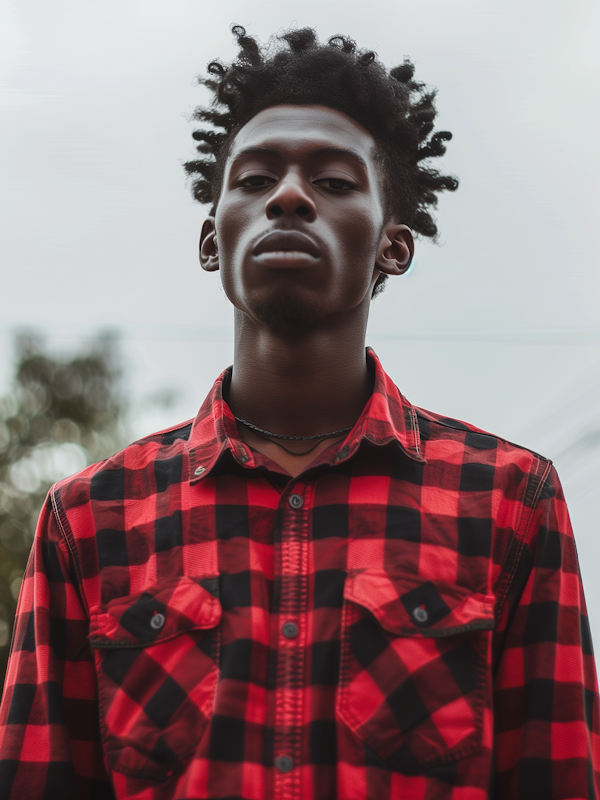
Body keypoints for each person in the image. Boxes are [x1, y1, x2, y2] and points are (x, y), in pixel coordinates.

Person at [0, 24, 598, 800]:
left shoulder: (513, 502)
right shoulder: (87, 521)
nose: (287, 195)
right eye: (252, 180)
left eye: (336, 182)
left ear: (394, 245)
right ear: (212, 240)